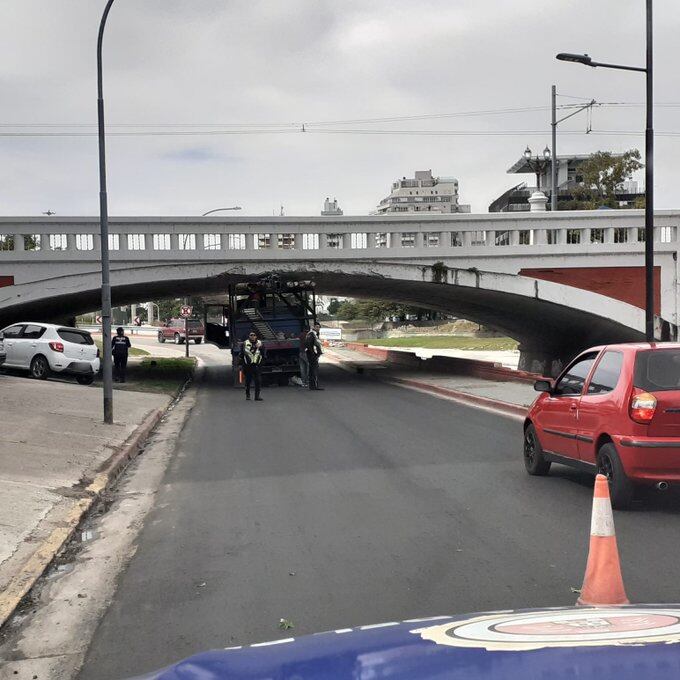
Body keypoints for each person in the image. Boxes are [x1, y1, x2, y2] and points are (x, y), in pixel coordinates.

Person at [240, 331, 264, 401]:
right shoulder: (245, 343)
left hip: (257, 365)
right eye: (251, 335)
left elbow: (263, 353)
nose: (252, 336)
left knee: (258, 381)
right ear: (249, 336)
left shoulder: (260, 343)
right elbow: (242, 354)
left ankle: (257, 396)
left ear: (256, 336)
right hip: (248, 366)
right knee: (248, 381)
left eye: (254, 335)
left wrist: (261, 348)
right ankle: (248, 395)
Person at [305, 323, 324, 391]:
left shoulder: (314, 334)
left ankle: (313, 386)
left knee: (313, 370)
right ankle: (314, 386)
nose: (318, 328)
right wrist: (313, 354)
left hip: (313, 354)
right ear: (313, 327)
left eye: (319, 327)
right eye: (316, 327)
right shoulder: (311, 334)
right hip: (312, 355)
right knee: (313, 370)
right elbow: (308, 344)